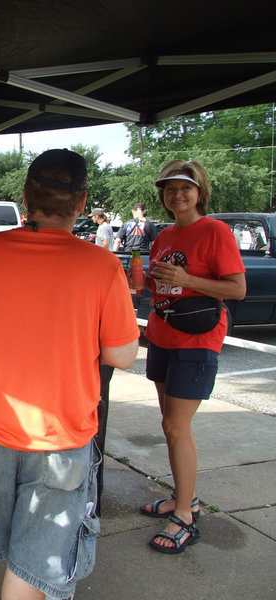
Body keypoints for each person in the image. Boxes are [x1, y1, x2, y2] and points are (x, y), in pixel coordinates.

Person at [0, 149, 140, 600]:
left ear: (26, 195)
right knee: (36, 569)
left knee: (18, 551)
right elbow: (123, 355)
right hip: (59, 437)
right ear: (81, 201)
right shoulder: (101, 266)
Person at [139, 159, 245, 554]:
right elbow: (165, 285)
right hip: (162, 334)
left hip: (196, 341)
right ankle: (182, 496)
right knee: (169, 425)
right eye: (169, 189)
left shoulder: (214, 231)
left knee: (177, 427)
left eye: (184, 187)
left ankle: (184, 514)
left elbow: (236, 290)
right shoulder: (164, 235)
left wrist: (185, 280)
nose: (176, 195)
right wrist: (146, 282)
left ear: (199, 191)